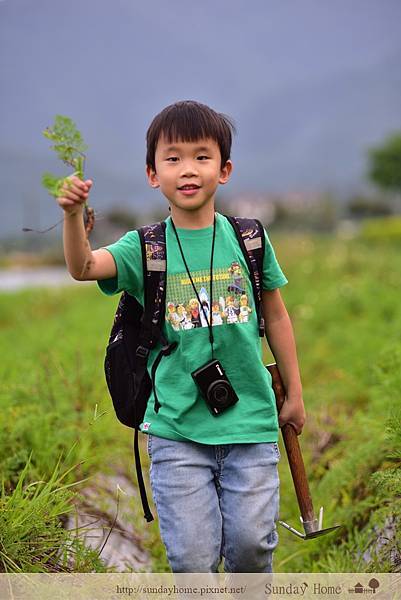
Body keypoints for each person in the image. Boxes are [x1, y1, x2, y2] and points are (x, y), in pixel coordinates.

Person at [57, 100, 305, 573]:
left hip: (250, 422)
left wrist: (294, 393)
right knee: (192, 558)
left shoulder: (249, 239)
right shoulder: (144, 247)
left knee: (252, 547)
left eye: (201, 156)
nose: (187, 169)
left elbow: (275, 316)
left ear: (224, 169)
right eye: (172, 158)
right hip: (176, 431)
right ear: (153, 173)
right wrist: (73, 216)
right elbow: (82, 266)